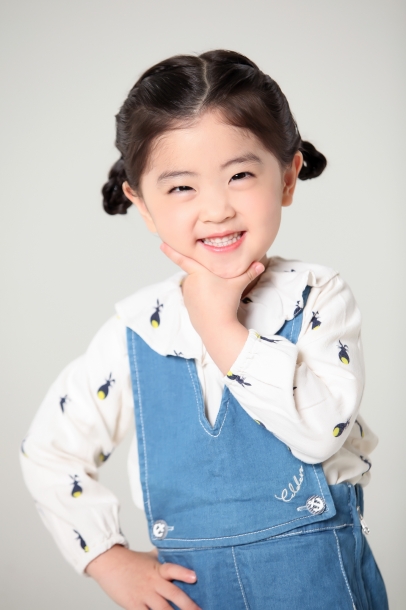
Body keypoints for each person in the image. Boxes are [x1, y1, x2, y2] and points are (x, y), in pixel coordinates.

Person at [20, 50, 388, 610]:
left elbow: (319, 433)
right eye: (181, 188)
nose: (216, 209)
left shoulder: (316, 298)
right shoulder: (138, 331)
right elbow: (49, 450)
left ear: (287, 177)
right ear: (142, 205)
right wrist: (106, 558)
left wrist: (219, 325)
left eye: (240, 175)